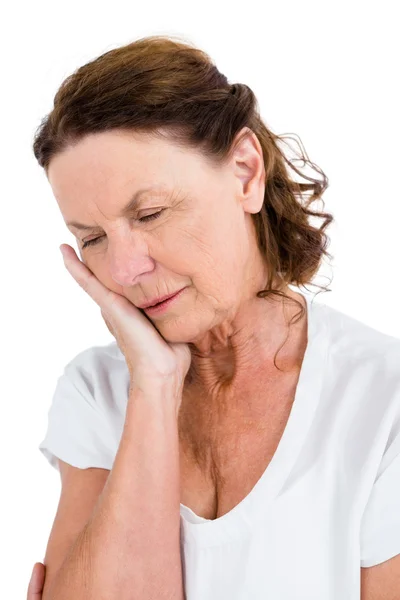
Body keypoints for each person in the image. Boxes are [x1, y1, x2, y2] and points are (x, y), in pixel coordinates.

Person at [28, 34, 400, 600]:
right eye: (93, 238)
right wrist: (153, 388)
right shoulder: (98, 392)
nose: (125, 268)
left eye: (150, 213)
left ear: (246, 172)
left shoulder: (383, 400)